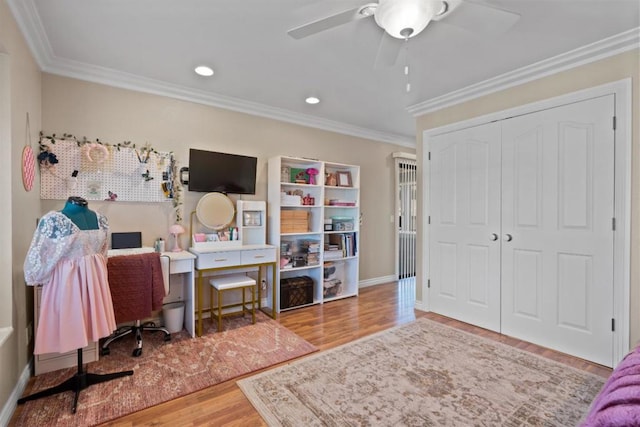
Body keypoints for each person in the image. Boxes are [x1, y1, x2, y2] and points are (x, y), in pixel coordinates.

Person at [24, 196, 117, 355]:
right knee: (72, 321)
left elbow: (103, 252)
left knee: (88, 321)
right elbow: (38, 254)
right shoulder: (53, 220)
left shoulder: (101, 219)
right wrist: (37, 276)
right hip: (69, 280)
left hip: (94, 280)